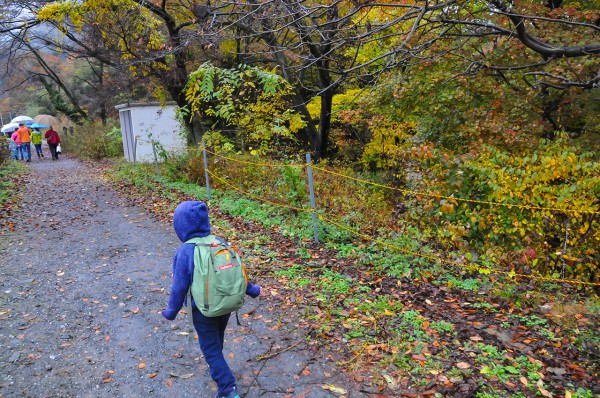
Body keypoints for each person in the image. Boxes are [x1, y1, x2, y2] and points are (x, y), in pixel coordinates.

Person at [161, 201, 261, 398]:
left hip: (203, 309)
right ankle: (218, 363)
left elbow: (179, 286)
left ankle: (227, 388)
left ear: (181, 227)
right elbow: (236, 273)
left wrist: (171, 311)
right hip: (226, 304)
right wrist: (253, 290)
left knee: (210, 348)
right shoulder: (220, 242)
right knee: (216, 339)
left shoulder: (185, 251)